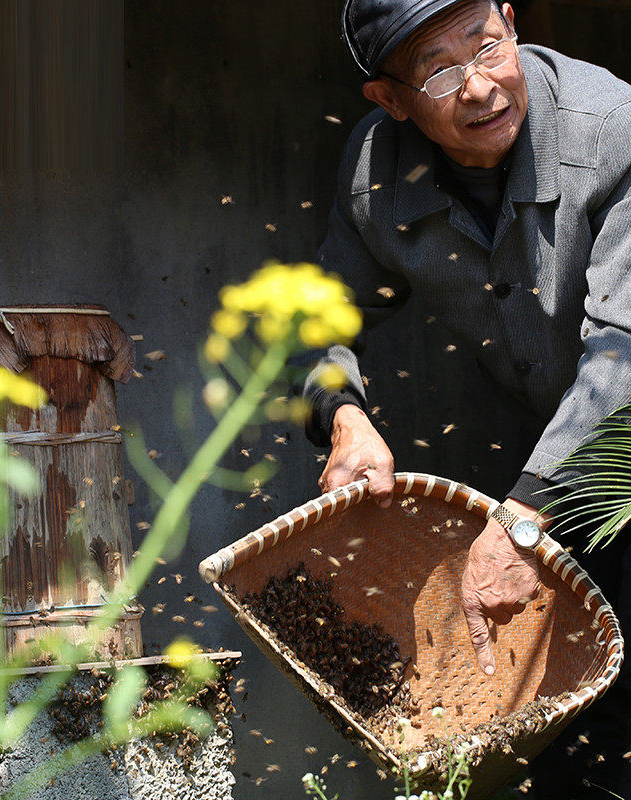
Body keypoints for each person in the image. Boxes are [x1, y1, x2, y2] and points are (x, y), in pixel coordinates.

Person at [303, 0, 631, 795]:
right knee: (567, 744)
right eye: (439, 72)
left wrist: (520, 522)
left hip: (589, 466)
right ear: (390, 99)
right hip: (571, 484)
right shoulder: (375, 173)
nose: (479, 87)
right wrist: (344, 416)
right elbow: (311, 321)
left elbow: (624, 352)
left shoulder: (612, 128)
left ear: (511, 23)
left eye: (486, 47)